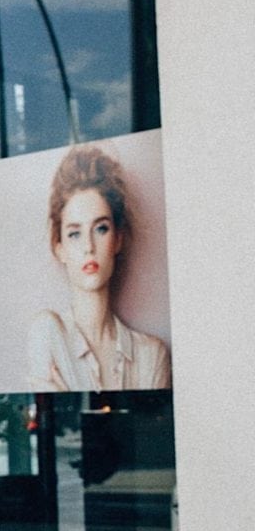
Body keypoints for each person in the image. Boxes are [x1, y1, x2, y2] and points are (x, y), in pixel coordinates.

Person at [27, 143, 171, 393]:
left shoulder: (151, 354)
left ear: (117, 239)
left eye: (100, 228)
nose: (88, 247)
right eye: (74, 234)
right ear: (59, 246)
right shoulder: (48, 331)